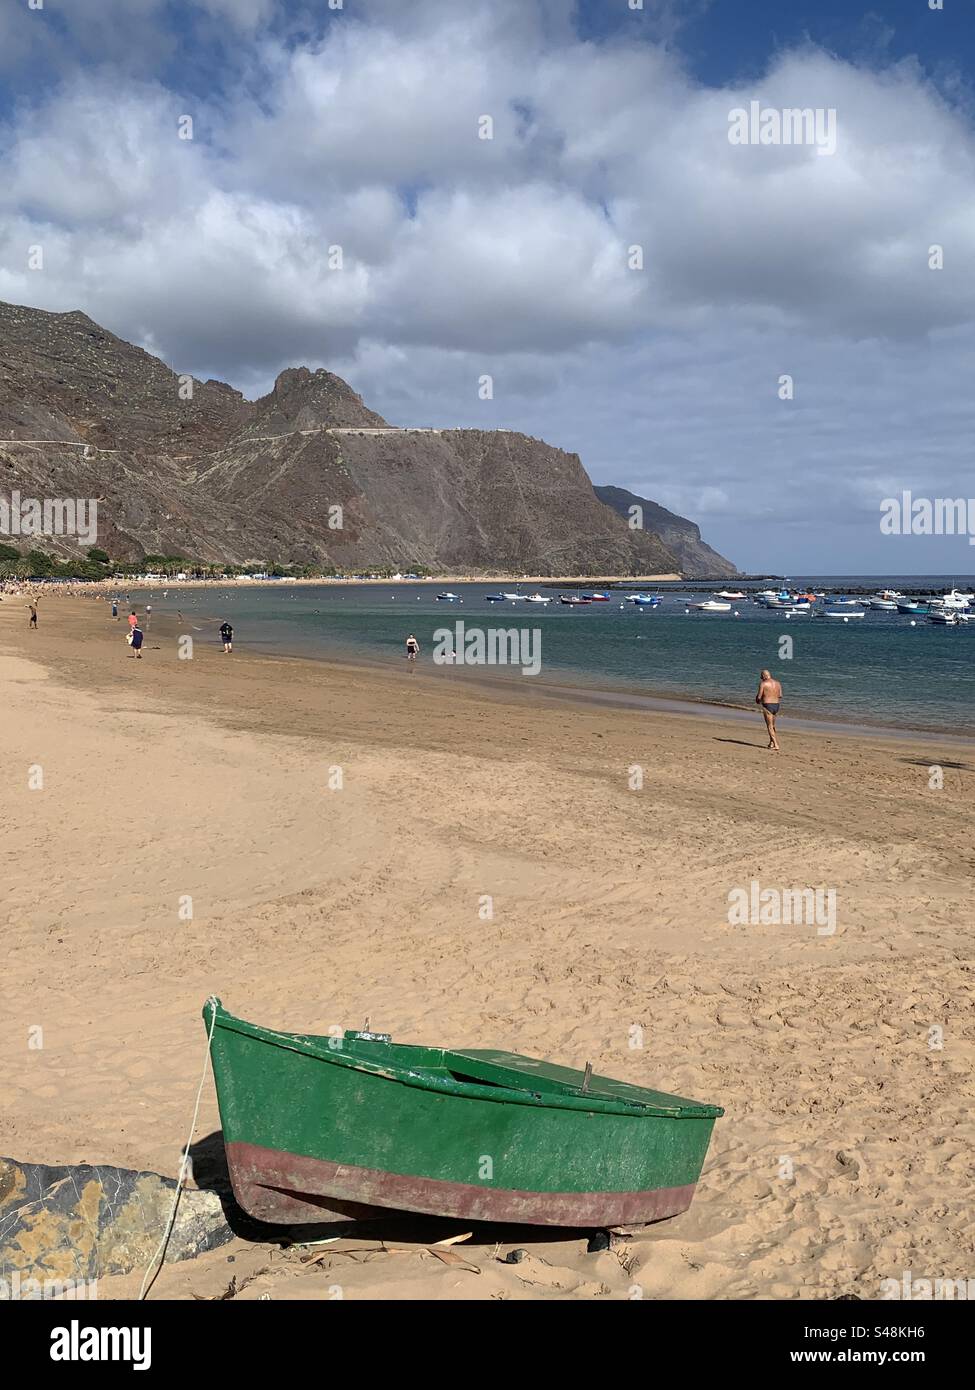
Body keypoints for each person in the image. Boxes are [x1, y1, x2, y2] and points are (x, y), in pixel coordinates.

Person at [755, 669, 782, 751]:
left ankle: (776, 744)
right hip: (776, 705)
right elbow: (780, 695)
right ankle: (771, 743)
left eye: (761, 676)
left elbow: (759, 696)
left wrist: (758, 700)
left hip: (768, 705)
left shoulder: (763, 683)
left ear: (764, 675)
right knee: (773, 725)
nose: (760, 678)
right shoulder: (778, 683)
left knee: (769, 726)